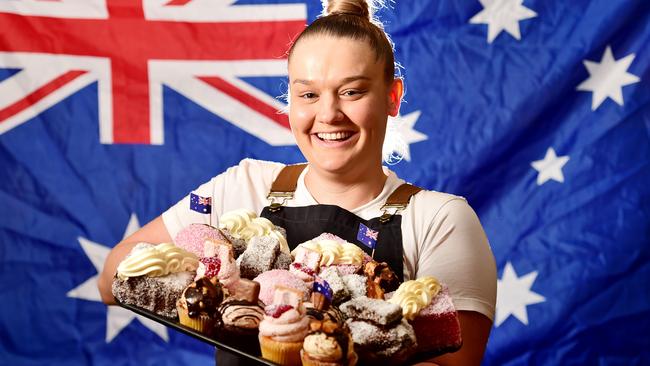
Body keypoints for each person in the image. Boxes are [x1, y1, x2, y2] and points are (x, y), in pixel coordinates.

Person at [98, 0, 497, 365]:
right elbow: (111, 277)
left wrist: (332, 347)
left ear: (392, 97)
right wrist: (210, 277)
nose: (328, 114)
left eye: (352, 91)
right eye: (308, 94)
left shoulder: (439, 219)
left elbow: (454, 363)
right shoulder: (244, 187)